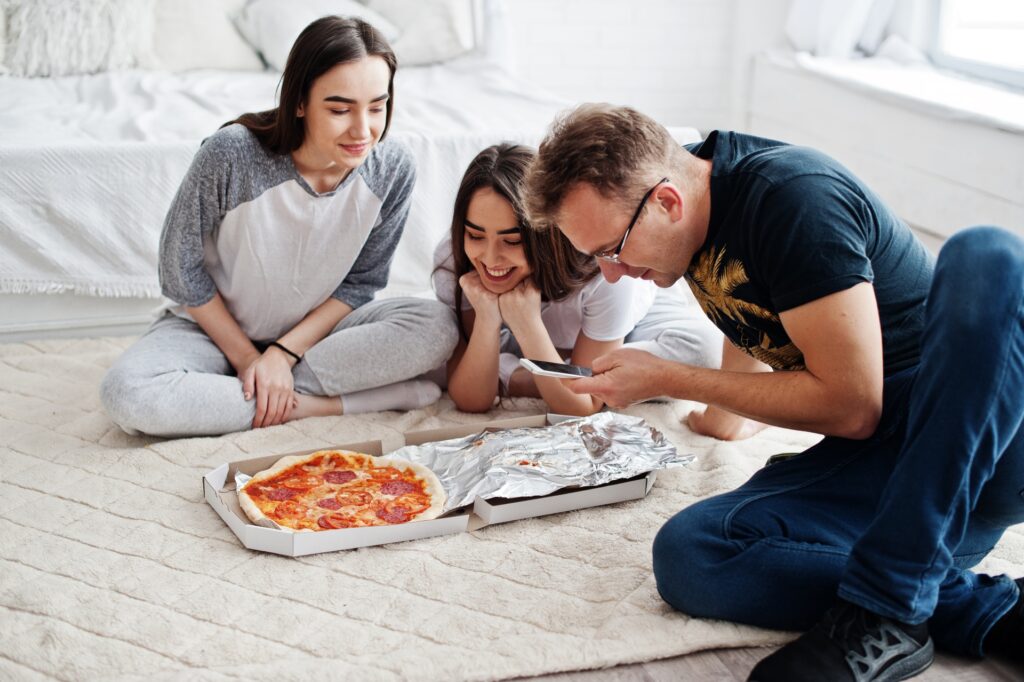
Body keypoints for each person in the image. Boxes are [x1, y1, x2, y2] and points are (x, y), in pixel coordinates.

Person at [524, 103, 1024, 681]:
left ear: (666, 202)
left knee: (989, 255)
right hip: (888, 460)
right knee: (694, 554)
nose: (611, 272)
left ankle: (888, 603)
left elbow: (853, 407)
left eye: (611, 250)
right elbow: (755, 334)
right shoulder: (689, 229)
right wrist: (722, 418)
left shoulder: (793, 198)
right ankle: (977, 606)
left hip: (975, 439)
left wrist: (664, 376)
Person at [100, 17, 457, 438]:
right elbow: (179, 271)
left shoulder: (392, 168)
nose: (363, 130)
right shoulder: (231, 154)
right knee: (128, 393)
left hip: (315, 337)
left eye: (377, 107)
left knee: (438, 326)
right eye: (340, 109)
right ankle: (326, 404)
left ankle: (276, 396)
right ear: (300, 101)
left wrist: (283, 355)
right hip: (212, 333)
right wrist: (251, 361)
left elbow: (362, 283)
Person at [431, 143, 721, 415]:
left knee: (703, 352)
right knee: (437, 352)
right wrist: (486, 318)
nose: (491, 259)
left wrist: (528, 326)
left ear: (544, 236)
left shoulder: (606, 271)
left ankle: (530, 369)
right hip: (526, 328)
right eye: (475, 235)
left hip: (633, 323)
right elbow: (471, 400)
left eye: (512, 241)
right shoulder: (456, 260)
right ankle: (559, 363)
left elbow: (585, 403)